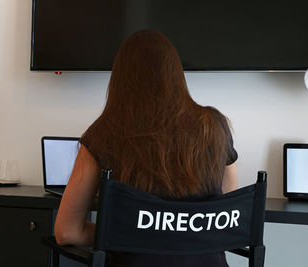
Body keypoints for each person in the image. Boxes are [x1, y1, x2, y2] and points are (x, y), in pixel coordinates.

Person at [54, 29, 238, 267]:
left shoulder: (103, 134)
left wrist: (133, 231)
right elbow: (228, 215)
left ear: (120, 78)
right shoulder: (213, 126)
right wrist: (176, 231)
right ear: (176, 74)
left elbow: (67, 231)